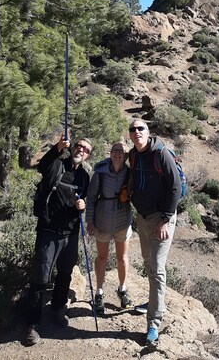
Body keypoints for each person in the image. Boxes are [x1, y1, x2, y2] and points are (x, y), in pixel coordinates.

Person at [25, 135, 92, 346]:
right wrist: (57, 147)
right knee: (40, 277)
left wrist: (81, 204)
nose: (81, 150)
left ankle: (58, 307)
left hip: (70, 233)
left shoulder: (85, 176)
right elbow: (41, 165)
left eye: (86, 149)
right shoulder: (56, 164)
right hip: (48, 230)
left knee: (65, 272)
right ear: (72, 147)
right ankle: (32, 323)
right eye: (78, 146)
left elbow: (83, 197)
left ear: (88, 155)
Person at [128, 119, 181, 345]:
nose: (137, 131)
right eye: (133, 129)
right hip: (142, 217)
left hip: (161, 219)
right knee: (148, 262)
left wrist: (165, 219)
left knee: (157, 267)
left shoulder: (161, 154)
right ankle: (154, 302)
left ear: (148, 132)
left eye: (141, 128)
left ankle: (154, 322)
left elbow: (175, 186)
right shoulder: (134, 155)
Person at [86, 141, 133, 315]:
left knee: (122, 257)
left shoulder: (130, 173)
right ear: (110, 152)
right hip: (102, 220)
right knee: (102, 256)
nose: (118, 153)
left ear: (126, 155)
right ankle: (99, 292)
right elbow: (91, 198)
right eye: (115, 150)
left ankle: (122, 289)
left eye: (121, 151)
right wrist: (89, 221)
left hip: (122, 220)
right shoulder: (100, 172)